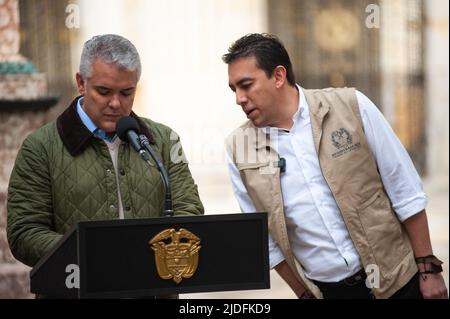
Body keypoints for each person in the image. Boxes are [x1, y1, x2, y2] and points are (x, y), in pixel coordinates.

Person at [223, 33, 447, 299]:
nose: (239, 98)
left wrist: (428, 269)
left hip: (399, 281)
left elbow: (404, 188)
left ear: (279, 76)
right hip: (328, 293)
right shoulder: (239, 147)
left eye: (246, 85)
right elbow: (264, 239)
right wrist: (304, 294)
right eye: (234, 89)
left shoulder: (350, 106)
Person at [7, 34, 204, 271]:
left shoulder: (164, 139)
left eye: (126, 93)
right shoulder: (39, 148)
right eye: (104, 91)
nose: (115, 103)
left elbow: (189, 211)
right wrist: (95, 253)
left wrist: (152, 254)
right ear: (81, 83)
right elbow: (25, 233)